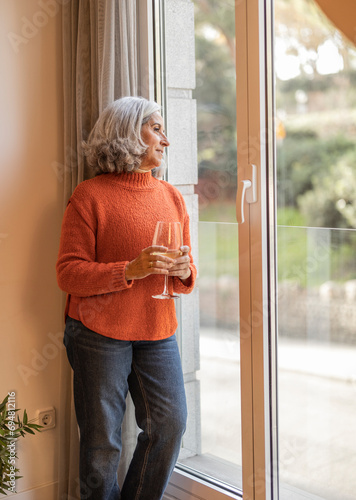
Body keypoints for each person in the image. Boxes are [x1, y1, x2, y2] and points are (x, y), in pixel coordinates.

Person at [56, 96, 197, 500]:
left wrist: (184, 270)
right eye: (157, 128)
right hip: (98, 333)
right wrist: (129, 271)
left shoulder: (171, 196)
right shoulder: (89, 196)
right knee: (102, 446)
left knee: (169, 425)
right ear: (127, 131)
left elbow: (186, 268)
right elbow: (68, 272)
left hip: (156, 329)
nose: (165, 140)